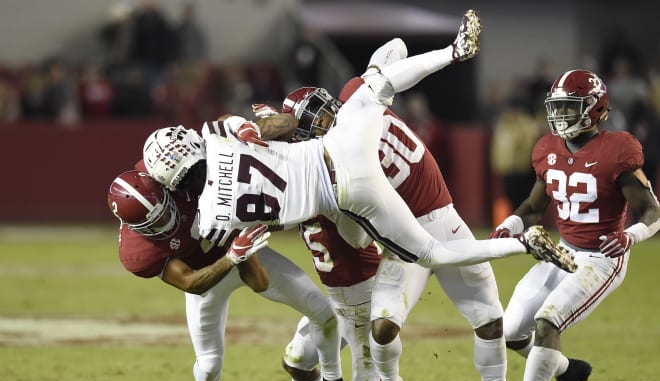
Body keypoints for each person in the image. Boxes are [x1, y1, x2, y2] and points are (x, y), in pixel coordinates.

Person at [141, 10, 576, 279]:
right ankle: (453, 51)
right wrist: (256, 130)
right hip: (336, 146)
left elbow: (224, 238)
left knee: (430, 254)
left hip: (345, 194)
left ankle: (523, 245)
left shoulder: (210, 220)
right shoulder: (219, 138)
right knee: (372, 87)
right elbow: (247, 127)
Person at [272, 39, 517, 381]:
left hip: (428, 225)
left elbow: (357, 231)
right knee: (356, 342)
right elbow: (395, 51)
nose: (322, 126)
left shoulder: (337, 160)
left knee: (489, 319)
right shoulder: (349, 114)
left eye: (322, 116)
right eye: (312, 125)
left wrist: (400, 67)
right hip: (389, 248)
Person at [107, 168, 372, 381]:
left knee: (323, 312)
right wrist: (232, 256)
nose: (165, 219)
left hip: (245, 249)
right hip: (208, 276)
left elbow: (220, 149)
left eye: (163, 209)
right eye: (155, 220)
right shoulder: (137, 252)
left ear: (165, 189)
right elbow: (191, 283)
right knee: (209, 367)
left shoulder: (173, 173)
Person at [489, 69, 660, 381]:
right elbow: (535, 206)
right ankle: (568, 371)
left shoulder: (618, 148)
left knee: (548, 321)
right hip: (561, 251)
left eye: (571, 107)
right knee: (511, 331)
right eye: (558, 106)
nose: (562, 115)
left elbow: (652, 209)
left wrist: (630, 236)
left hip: (602, 257)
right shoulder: (547, 147)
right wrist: (511, 225)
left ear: (596, 109)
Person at [276, 215, 450, 381]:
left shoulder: (333, 193)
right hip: (337, 304)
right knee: (296, 361)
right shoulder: (301, 197)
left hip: (366, 305)